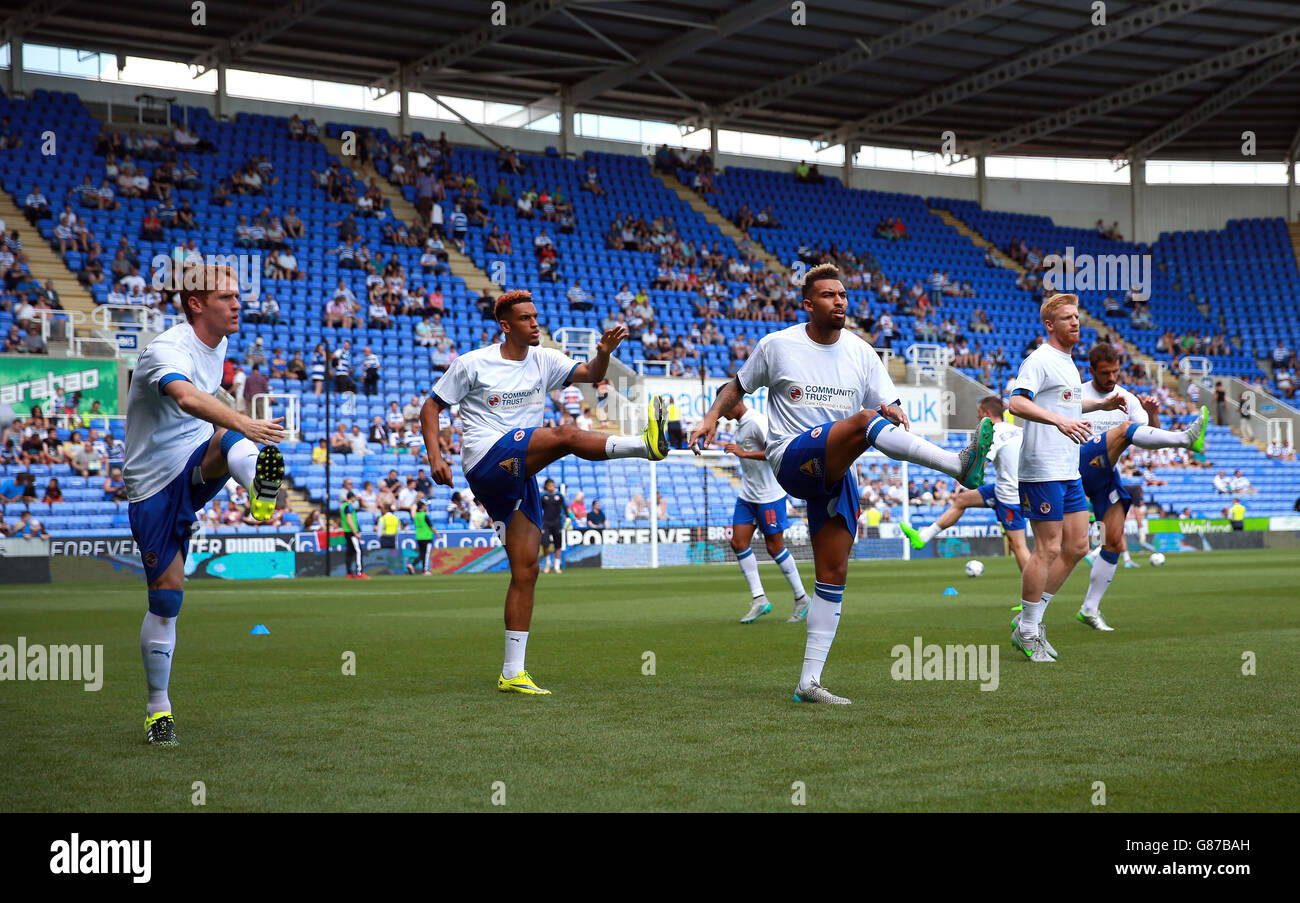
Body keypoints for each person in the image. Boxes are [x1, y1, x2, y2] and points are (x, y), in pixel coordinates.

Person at [689, 264, 994, 703]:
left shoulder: (862, 352)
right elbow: (734, 387)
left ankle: (808, 683)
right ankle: (956, 465)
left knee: (833, 574)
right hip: (791, 458)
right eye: (829, 295)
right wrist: (710, 417)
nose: (840, 302)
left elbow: (887, 402)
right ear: (808, 304)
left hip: (836, 469)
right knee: (863, 422)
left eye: (844, 295)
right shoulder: (777, 346)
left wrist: (894, 411)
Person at [420, 289, 669, 696]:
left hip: (519, 470)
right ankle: (645, 446)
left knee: (527, 569)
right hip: (485, 459)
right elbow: (432, 407)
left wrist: (605, 352)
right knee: (567, 434)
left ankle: (512, 672)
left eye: (536, 316)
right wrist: (435, 457)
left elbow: (590, 374)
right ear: (505, 326)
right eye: (525, 318)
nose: (535, 323)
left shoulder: (546, 358)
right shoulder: (472, 363)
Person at [123, 263, 287, 747]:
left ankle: (258, 489)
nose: (239, 304)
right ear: (196, 304)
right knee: (167, 599)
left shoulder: (221, 345)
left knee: (231, 438)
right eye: (227, 297)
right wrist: (244, 419)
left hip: (197, 456)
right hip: (153, 481)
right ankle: (158, 710)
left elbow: (204, 406)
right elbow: (188, 397)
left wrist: (237, 425)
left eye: (238, 296)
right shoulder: (166, 350)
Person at [1005, 294, 1128, 663]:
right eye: (1066, 318)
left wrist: (1099, 405)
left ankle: (1032, 621)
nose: (1075, 323)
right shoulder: (1040, 359)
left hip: (1068, 468)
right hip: (1042, 468)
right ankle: (1027, 630)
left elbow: (1066, 402)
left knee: (1076, 547)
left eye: (1077, 317)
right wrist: (1060, 421)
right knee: (1048, 549)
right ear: (1049, 325)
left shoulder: (1069, 364)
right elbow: (1017, 402)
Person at [1076, 343, 1207, 628]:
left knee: (1114, 540)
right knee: (1061, 547)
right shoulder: (1077, 395)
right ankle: (1185, 438)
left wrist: (1153, 416)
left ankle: (1089, 608)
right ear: (1091, 371)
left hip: (1105, 475)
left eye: (1115, 372)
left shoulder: (1127, 398)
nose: (1111, 378)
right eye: (1104, 373)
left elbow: (1148, 440)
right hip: (1074, 466)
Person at [901, 396, 1030, 571]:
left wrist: (960, 485)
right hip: (1011, 487)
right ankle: (922, 537)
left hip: (1009, 495)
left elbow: (979, 464)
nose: (978, 417)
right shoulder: (1018, 430)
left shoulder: (993, 432)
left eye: (979, 413)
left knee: (1018, 546)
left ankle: (1034, 596)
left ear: (987, 413)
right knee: (962, 501)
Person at [722, 399, 811, 624]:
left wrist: (744, 454)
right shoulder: (741, 425)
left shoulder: (757, 422)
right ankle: (759, 598)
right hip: (748, 494)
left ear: (735, 402)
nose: (722, 413)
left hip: (769, 496)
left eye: (724, 408)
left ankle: (801, 597)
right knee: (738, 542)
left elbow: (775, 451)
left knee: (774, 546)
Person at [539, 478, 568, 574]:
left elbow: (565, 507)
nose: (552, 486)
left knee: (557, 545)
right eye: (550, 484)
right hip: (545, 523)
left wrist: (569, 517)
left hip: (557, 523)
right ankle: (548, 564)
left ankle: (556, 566)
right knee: (545, 543)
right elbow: (538, 508)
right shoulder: (543, 496)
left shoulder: (559, 496)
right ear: (546, 486)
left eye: (553, 484)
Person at [409, 500, 440, 575]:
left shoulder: (416, 516)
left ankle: (412, 565)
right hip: (427, 537)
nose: (426, 507)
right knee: (426, 554)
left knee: (422, 554)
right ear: (422, 507)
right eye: (425, 506)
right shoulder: (424, 515)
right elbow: (431, 526)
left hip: (419, 537)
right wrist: (437, 534)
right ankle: (425, 570)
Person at [341, 492, 367, 579]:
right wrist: (355, 532)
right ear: (351, 498)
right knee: (358, 551)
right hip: (351, 532)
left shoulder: (343, 506)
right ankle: (360, 572)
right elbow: (349, 520)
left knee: (350, 552)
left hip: (346, 531)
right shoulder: (349, 506)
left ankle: (349, 573)